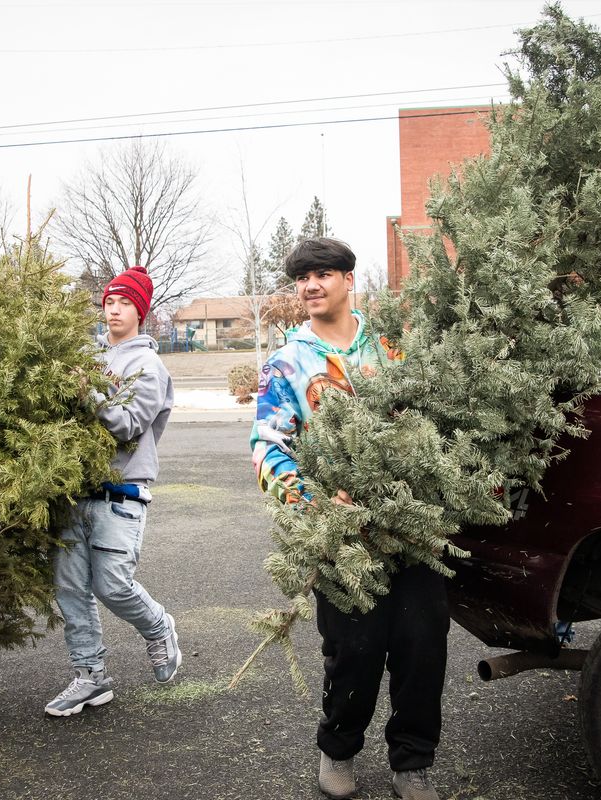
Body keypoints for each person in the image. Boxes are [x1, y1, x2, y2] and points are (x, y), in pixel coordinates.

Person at [250, 238, 448, 800]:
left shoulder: (392, 347)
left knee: (421, 644)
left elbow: (432, 414)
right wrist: (314, 503)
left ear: (347, 280)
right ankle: (338, 750)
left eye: (323, 274)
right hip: (341, 536)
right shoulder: (287, 363)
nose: (311, 286)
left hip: (411, 527)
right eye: (302, 279)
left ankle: (413, 762)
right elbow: (266, 447)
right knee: (355, 651)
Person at [45, 265, 182, 717]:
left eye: (125, 303)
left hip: (120, 494)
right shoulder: (88, 356)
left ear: (141, 312)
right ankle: (90, 677)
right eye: (109, 302)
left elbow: (126, 426)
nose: (115, 310)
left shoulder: (148, 366)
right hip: (73, 493)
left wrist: (89, 390)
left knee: (112, 585)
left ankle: (159, 627)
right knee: (69, 589)